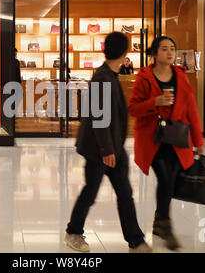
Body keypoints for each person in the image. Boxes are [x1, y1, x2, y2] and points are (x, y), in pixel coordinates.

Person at [65, 32, 152, 253]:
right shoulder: (103, 78)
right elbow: (99, 117)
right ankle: (73, 232)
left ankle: (136, 241)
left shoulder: (109, 75)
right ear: (125, 52)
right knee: (91, 192)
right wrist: (107, 149)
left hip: (112, 147)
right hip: (100, 150)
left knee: (124, 194)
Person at [128, 36, 204, 251]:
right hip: (153, 139)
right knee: (165, 176)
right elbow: (133, 109)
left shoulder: (181, 76)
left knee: (170, 179)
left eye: (172, 49)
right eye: (164, 49)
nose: (169, 53)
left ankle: (161, 221)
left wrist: (198, 140)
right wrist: (155, 102)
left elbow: (191, 110)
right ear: (154, 53)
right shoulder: (144, 77)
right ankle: (165, 225)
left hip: (177, 137)